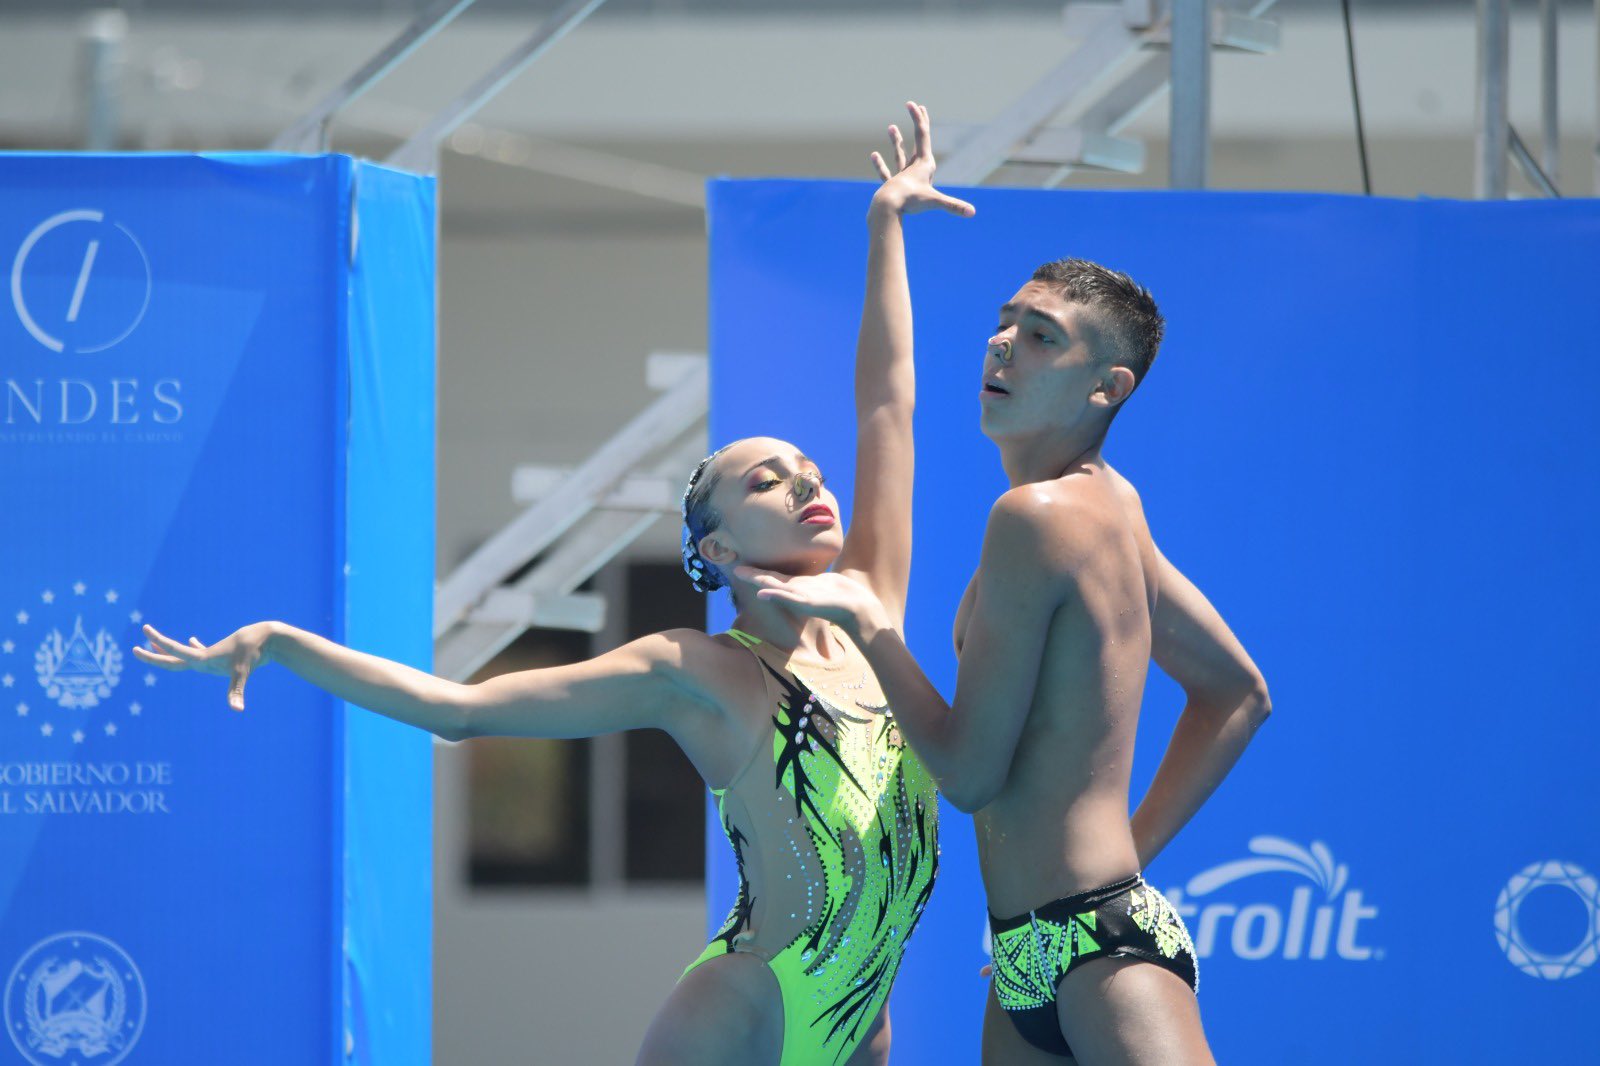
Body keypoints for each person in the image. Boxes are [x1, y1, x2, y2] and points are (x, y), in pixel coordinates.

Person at [133, 103, 974, 1066]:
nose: (809, 484)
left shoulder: (874, 607)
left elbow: (887, 406)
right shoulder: (698, 670)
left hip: (860, 1020)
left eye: (806, 470)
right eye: (765, 480)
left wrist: (884, 229)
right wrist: (284, 641)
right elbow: (460, 710)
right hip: (747, 1011)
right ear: (717, 550)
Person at [740, 257, 1272, 1065]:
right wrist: (1126, 857)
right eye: (1007, 323)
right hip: (1039, 949)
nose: (1002, 345)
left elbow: (968, 773)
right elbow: (1238, 695)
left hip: (1099, 952)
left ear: (1108, 387)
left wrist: (867, 623)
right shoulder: (1112, 506)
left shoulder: (1036, 516)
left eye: (1040, 336)